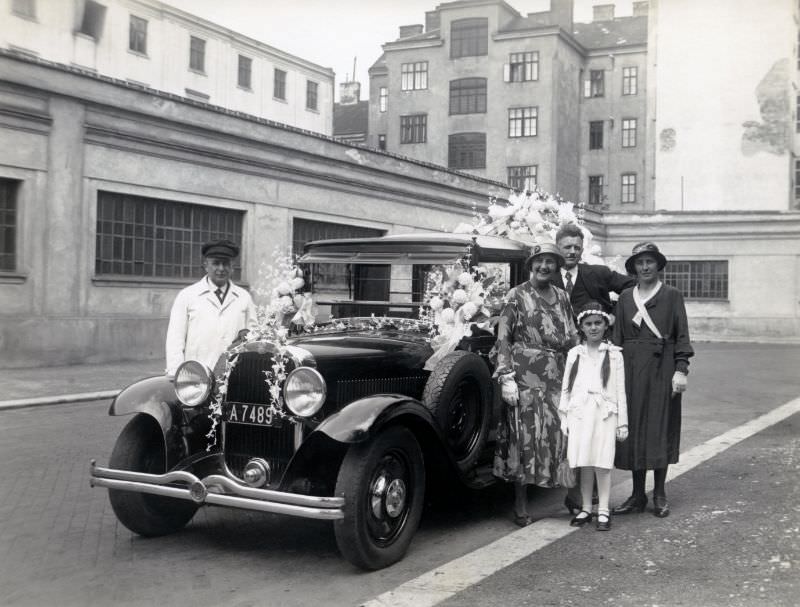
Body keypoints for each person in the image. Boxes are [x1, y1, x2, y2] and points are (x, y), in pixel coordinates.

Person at [493, 242, 578, 527]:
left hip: (558, 375)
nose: (544, 267)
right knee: (525, 437)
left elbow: (573, 336)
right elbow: (503, 336)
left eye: (550, 262)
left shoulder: (563, 297)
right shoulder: (516, 295)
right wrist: (505, 375)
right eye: (539, 261)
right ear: (531, 265)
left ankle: (571, 495)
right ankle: (520, 504)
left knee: (561, 435)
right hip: (524, 376)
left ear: (557, 266)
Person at [555, 222, 635, 514]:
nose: (573, 251)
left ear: (582, 248)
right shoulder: (548, 273)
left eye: (577, 246)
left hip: (595, 353)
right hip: (560, 357)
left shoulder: (597, 274)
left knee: (596, 421)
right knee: (570, 422)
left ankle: (582, 499)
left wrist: (612, 316)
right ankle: (574, 492)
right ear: (558, 247)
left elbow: (629, 285)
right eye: (567, 247)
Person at [611, 242, 694, 518]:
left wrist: (681, 369)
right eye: (639, 262)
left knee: (660, 427)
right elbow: (617, 339)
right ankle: (636, 495)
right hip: (631, 368)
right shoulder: (624, 298)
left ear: (658, 265)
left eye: (649, 261)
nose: (645, 267)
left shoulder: (672, 295)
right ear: (633, 267)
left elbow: (681, 334)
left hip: (662, 366)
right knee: (633, 427)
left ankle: (659, 492)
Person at [558, 301, 628, 531]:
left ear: (605, 326)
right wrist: (564, 418)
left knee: (602, 461)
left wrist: (622, 422)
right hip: (580, 412)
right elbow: (566, 388)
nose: (594, 328)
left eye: (598, 323)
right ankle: (587, 507)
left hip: (605, 413)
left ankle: (604, 509)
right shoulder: (574, 354)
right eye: (588, 324)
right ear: (582, 328)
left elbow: (620, 390)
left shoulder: (615, 355)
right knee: (585, 461)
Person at [165, 239, 257, 376]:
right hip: (197, 374)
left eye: (226, 263)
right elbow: (175, 339)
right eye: (216, 263)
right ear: (206, 265)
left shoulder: (244, 297)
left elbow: (253, 336)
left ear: (232, 266)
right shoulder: (187, 295)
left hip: (235, 373)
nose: (221, 268)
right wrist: (175, 373)